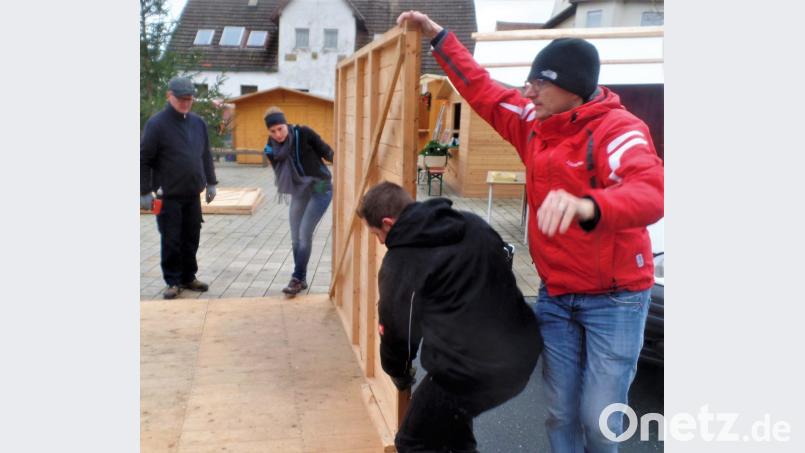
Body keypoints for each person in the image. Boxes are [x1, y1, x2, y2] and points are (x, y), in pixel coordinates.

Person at [398, 11, 664, 453]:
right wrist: (439, 37)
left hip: (615, 300)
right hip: (557, 295)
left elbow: (652, 193)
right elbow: (482, 89)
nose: (528, 91)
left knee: (598, 419)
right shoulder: (533, 123)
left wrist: (588, 205)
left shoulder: (620, 131)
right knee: (560, 411)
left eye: (540, 82)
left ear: (573, 88)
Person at [358, 181, 542, 453]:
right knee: (452, 427)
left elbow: (399, 331)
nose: (381, 243)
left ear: (387, 223)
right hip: (521, 355)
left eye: (377, 234)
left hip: (468, 372)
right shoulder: (473, 225)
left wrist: (398, 372)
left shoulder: (401, 262)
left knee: (413, 442)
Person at [141, 77, 218, 300]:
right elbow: (143, 159)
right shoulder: (157, 124)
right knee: (171, 238)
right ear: (169, 96)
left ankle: (188, 277)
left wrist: (211, 182)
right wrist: (143, 191)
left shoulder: (198, 123)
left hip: (192, 194)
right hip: (168, 196)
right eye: (181, 98)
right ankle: (172, 281)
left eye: (189, 98)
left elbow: (205, 155)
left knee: (191, 237)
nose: (185, 102)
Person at [263, 107, 334, 296]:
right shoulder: (271, 149)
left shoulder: (304, 133)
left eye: (280, 128)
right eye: (273, 131)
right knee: (295, 238)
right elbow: (280, 173)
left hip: (320, 187)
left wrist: (345, 163)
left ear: (286, 124)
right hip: (300, 191)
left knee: (304, 233)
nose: (278, 134)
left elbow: (328, 152)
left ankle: (296, 278)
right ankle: (301, 280)